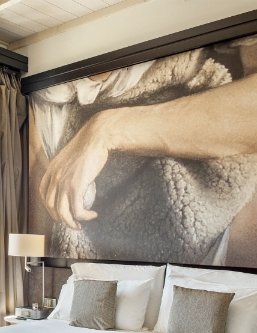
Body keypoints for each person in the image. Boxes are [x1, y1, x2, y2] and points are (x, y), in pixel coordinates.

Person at [31, 36, 257, 265]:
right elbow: (40, 179)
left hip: (201, 233)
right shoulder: (38, 89)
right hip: (84, 245)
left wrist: (105, 131)